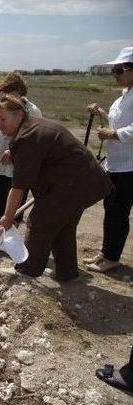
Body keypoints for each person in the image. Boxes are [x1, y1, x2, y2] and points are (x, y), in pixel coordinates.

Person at [0, 95, 112, 281]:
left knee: (40, 221)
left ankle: (27, 271)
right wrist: (13, 151)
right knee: (63, 226)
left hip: (73, 185)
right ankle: (67, 273)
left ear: (19, 115)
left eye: (3, 119)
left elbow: (18, 188)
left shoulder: (27, 137)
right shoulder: (31, 127)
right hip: (85, 182)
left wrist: (8, 218)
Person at [83, 46, 133, 273]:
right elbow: (117, 121)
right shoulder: (124, 97)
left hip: (129, 167)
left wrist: (112, 134)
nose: (115, 74)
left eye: (119, 70)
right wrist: (101, 113)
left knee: (118, 212)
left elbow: (128, 130)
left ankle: (112, 257)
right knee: (110, 208)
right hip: (115, 164)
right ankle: (106, 252)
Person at [0, 72, 42, 236]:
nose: (5, 96)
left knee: (8, 208)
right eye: (3, 93)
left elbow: (34, 140)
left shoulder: (32, 111)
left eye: (9, 92)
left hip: (13, 170)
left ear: (19, 92)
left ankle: (2, 242)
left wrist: (13, 151)